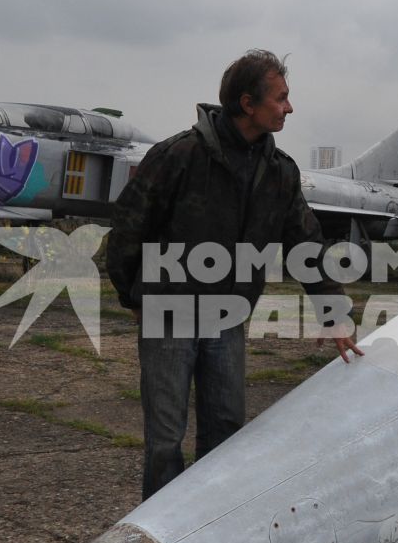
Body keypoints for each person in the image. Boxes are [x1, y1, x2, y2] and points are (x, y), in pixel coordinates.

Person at [106, 50, 361, 498]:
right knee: (166, 441)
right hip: (170, 316)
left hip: (226, 321)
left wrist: (334, 310)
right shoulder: (178, 156)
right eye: (281, 98)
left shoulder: (280, 172)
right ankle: (162, 535)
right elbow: (128, 226)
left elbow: (306, 243)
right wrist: (136, 298)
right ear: (248, 103)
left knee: (226, 433)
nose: (289, 107)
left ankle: (210, 530)